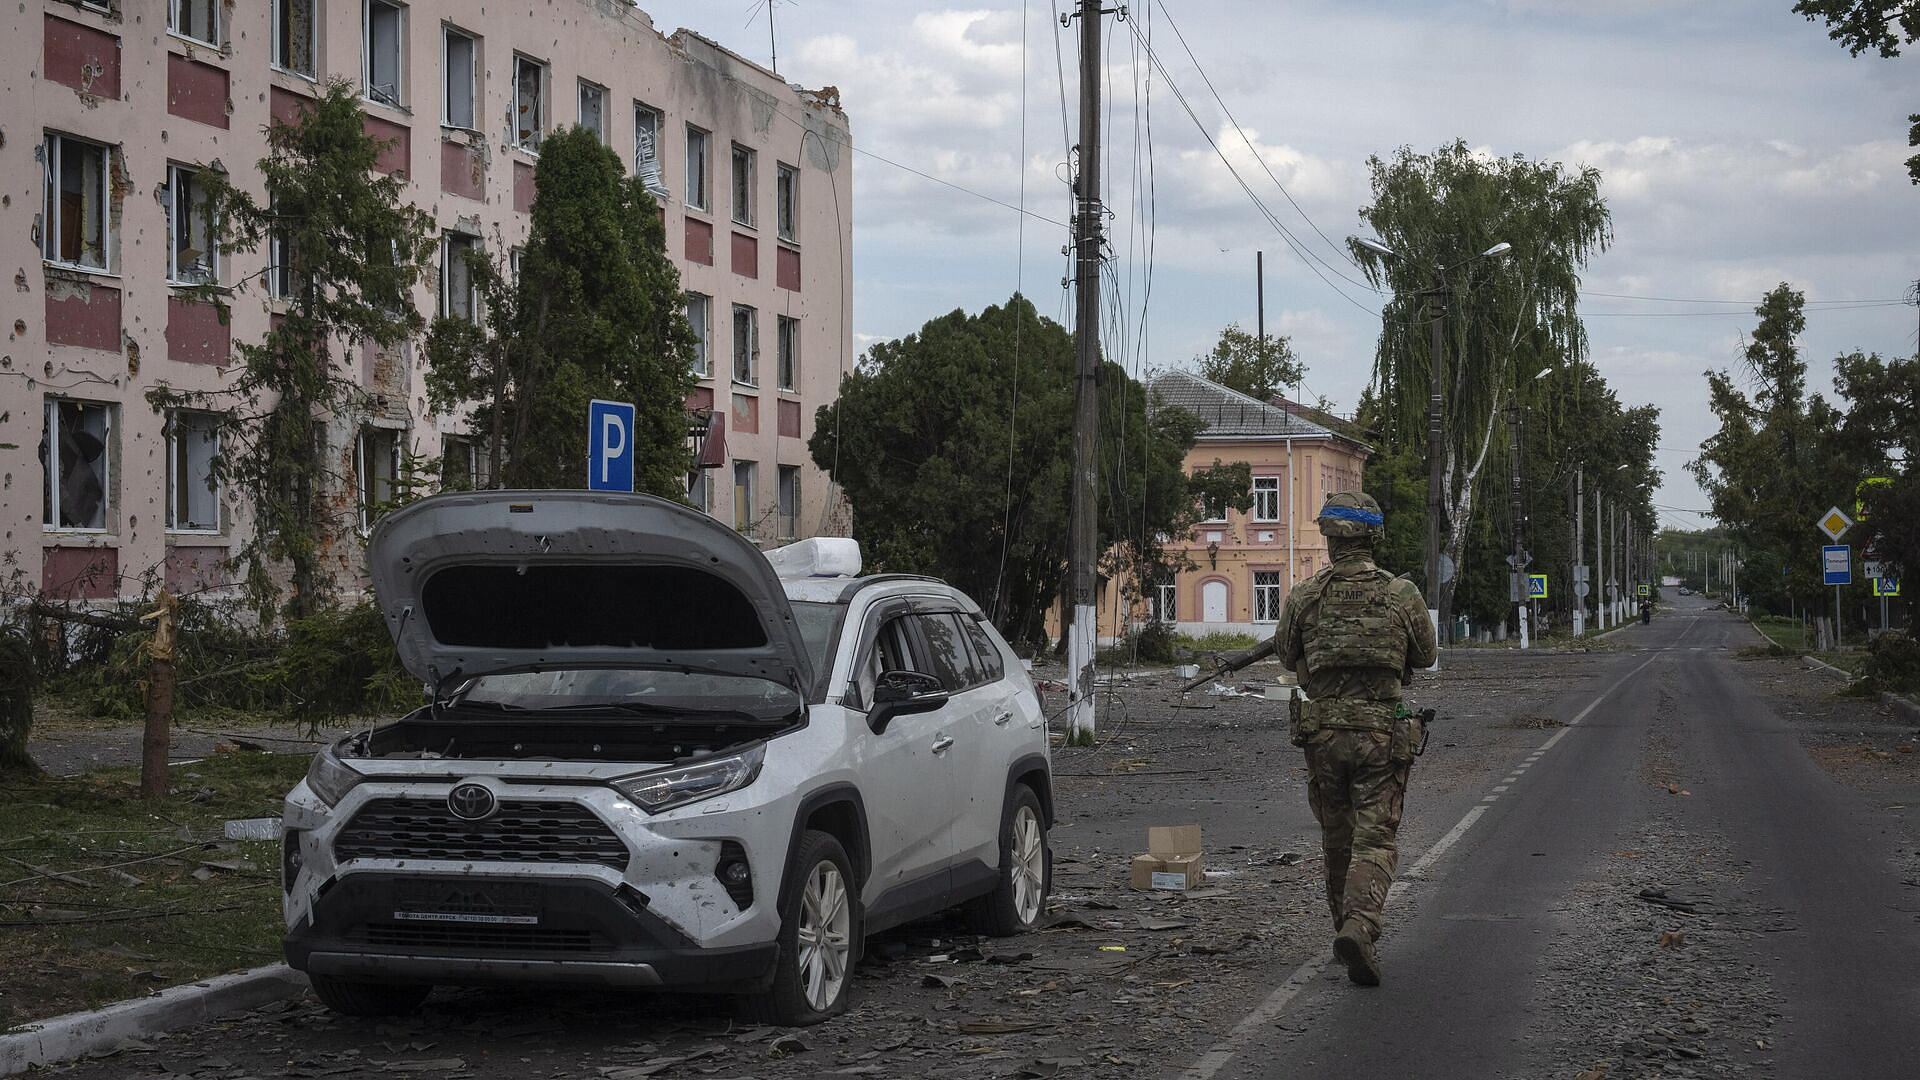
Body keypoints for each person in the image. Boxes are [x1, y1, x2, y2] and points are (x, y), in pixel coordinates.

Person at [1274, 492, 1437, 987]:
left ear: (1328, 539)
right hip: (1380, 736)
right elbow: (1426, 655)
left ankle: (1342, 929)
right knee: (1376, 838)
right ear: (1373, 537)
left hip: (1322, 735)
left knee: (1336, 838)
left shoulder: (1304, 596)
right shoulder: (1401, 593)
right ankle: (1360, 925)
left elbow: (1286, 655)